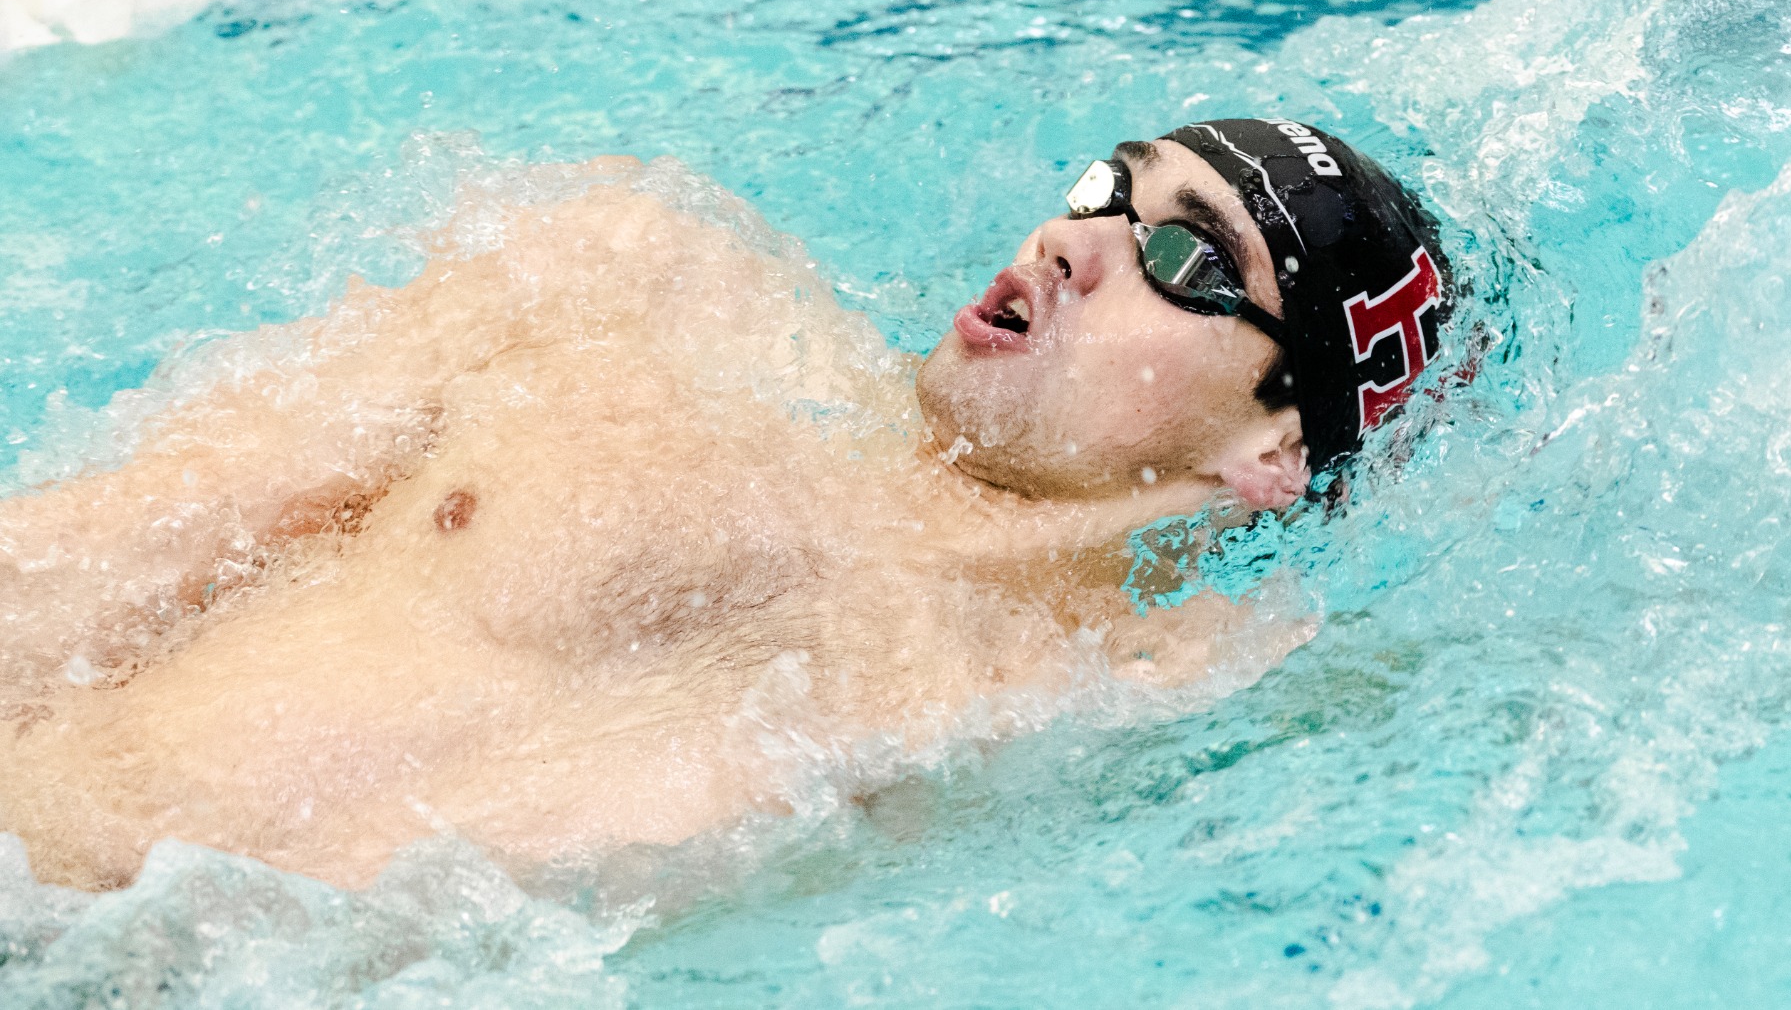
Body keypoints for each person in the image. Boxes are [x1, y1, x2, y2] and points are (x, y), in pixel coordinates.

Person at [0, 118, 1452, 892]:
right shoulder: (642, 292)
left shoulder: (1126, 694)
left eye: (1189, 259)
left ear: (1273, 447)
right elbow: (146, 519)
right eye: (1102, 187)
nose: (1077, 241)